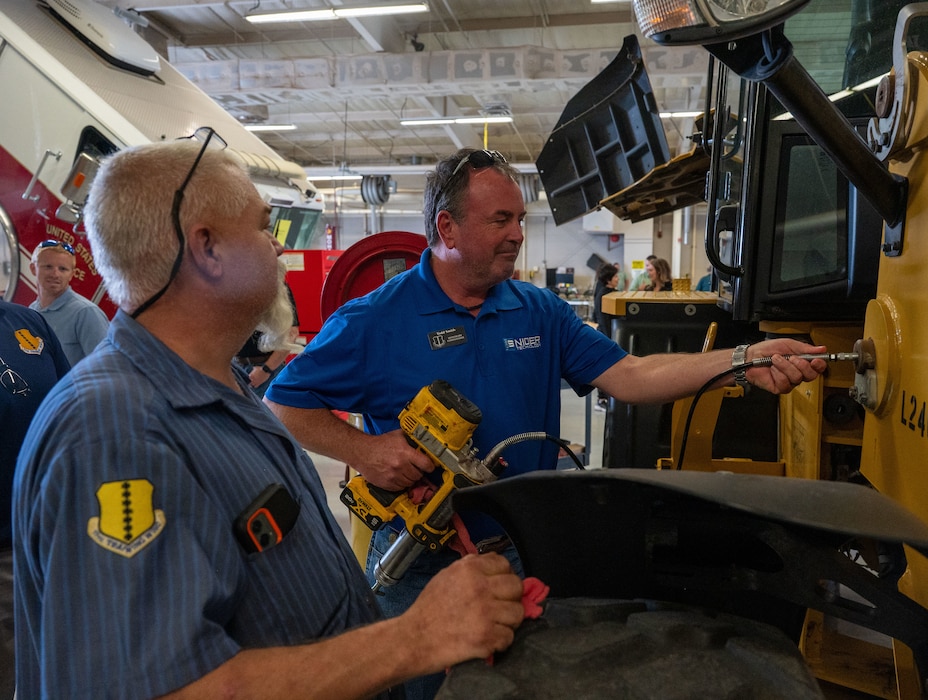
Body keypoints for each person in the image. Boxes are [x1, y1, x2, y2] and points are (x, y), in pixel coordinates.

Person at [263, 147, 827, 699]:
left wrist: (740, 363)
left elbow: (631, 374)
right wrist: (364, 452)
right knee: (427, 689)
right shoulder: (374, 320)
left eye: (520, 220)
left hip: (521, 547)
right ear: (448, 228)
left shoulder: (539, 311)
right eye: (500, 220)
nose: (517, 234)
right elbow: (284, 401)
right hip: (418, 558)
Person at [13, 137, 524, 699]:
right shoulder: (114, 432)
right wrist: (416, 638)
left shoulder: (219, 386)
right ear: (206, 248)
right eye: (263, 229)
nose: (279, 251)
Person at [0, 300, 69, 698]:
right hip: (3, 541)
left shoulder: (26, 321)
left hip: (48, 529)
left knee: (48, 660)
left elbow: (70, 397)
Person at [28, 239, 109, 365]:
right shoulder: (31, 312)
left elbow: (105, 367)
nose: (55, 274)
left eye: (63, 269)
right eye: (48, 267)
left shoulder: (85, 313)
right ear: (33, 268)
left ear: (72, 274)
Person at [235, 281, 299, 397]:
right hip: (233, 367)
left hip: (266, 370)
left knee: (269, 413)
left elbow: (290, 334)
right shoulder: (227, 286)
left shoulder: (276, 285)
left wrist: (266, 370)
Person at [591, 262, 620, 411]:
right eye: (615, 276)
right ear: (608, 278)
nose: (618, 278)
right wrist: (609, 339)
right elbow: (602, 319)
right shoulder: (603, 294)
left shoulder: (609, 291)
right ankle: (601, 400)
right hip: (606, 335)